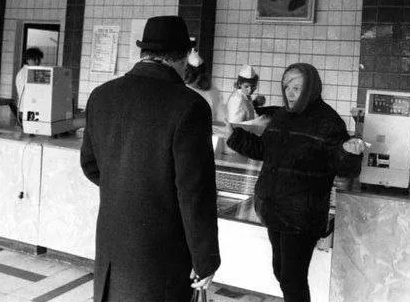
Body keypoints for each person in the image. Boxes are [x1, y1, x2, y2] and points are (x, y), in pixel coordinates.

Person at [80, 16, 220, 302]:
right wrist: (205, 259)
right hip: (162, 254)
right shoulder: (190, 106)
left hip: (111, 246)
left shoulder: (101, 95)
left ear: (144, 52)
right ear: (182, 57)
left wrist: (126, 187)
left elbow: (90, 164)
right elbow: (195, 192)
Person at [226, 62, 367, 302]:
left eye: (297, 88)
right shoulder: (282, 116)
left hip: (302, 214)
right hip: (274, 208)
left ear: (311, 88)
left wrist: (349, 153)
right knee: (281, 271)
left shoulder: (328, 121)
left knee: (292, 278)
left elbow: (345, 168)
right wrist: (234, 136)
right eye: (286, 87)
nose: (290, 93)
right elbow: (264, 150)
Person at [184, 49, 230, 154]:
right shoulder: (214, 91)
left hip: (197, 140)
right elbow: (222, 118)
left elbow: (222, 119)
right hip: (204, 140)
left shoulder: (185, 90)